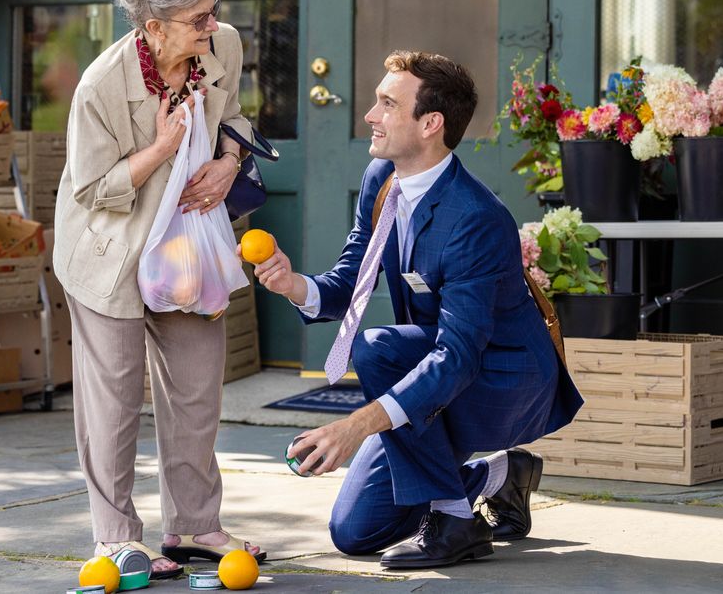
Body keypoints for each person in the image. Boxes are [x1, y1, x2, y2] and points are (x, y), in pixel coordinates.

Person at [249, 51, 583, 568]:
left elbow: (457, 358)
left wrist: (356, 425)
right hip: (437, 374)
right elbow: (352, 280)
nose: (370, 116)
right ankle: (499, 476)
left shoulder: (475, 217)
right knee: (355, 533)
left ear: (430, 124)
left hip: (500, 381)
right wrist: (295, 285)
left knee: (378, 348)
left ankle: (455, 522)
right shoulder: (381, 179)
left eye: (387, 103)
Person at [52, 0, 264, 579]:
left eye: (213, 8)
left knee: (198, 389)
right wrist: (164, 147)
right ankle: (114, 536)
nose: (214, 24)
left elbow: (238, 122)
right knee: (113, 399)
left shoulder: (221, 45)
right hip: (109, 252)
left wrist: (229, 163)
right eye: (198, 18)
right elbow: (93, 189)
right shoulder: (101, 85)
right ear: (153, 26)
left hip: (186, 245)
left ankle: (194, 525)